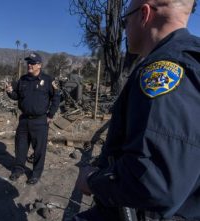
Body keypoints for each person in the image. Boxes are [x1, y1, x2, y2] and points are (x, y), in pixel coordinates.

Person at [74, 0, 200, 220]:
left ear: (144, 14)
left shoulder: (163, 69)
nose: (124, 29)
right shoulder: (191, 60)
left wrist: (93, 181)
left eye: (125, 20)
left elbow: (155, 180)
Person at [6, 52, 60, 185]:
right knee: (21, 147)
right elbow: (16, 96)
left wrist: (50, 115)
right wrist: (9, 92)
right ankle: (18, 169)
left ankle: (36, 173)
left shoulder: (48, 80)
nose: (29, 65)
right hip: (24, 120)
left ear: (39, 65)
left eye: (32, 63)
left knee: (39, 149)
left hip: (40, 121)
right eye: (28, 62)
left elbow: (56, 97)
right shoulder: (23, 80)